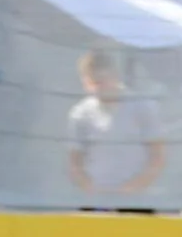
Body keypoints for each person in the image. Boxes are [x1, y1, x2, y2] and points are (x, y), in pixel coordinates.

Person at [65, 51, 167, 208]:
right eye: (91, 83)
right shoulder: (80, 114)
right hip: (95, 204)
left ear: (115, 76)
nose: (97, 88)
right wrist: (91, 190)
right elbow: (74, 163)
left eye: (101, 81)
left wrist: (131, 189)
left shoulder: (143, 107)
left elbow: (157, 157)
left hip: (137, 203)